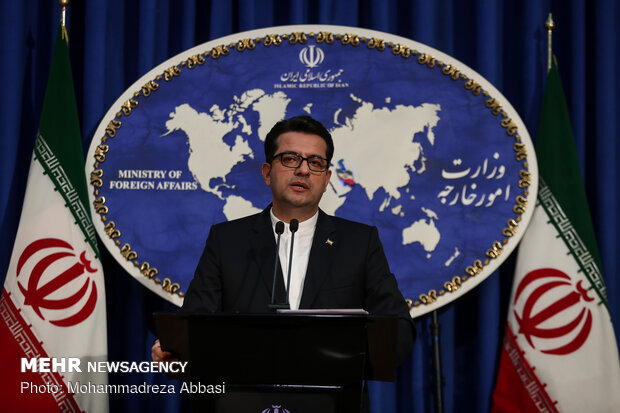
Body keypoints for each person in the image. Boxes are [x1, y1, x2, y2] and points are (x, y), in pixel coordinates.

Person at [152, 115, 415, 365]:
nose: (303, 170)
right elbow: (195, 321)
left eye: (315, 163)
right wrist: (176, 348)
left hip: (333, 390)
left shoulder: (359, 243)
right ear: (267, 173)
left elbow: (398, 326)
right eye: (290, 159)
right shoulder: (227, 241)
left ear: (326, 180)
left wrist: (351, 359)